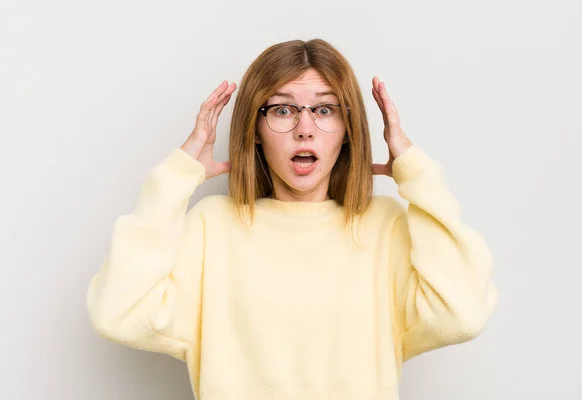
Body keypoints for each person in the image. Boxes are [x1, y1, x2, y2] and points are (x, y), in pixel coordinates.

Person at [86, 38, 498, 400]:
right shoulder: (214, 226)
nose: (305, 129)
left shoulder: (383, 225)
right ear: (256, 129)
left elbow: (460, 314)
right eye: (283, 110)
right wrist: (175, 178)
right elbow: (119, 314)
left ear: (348, 129)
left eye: (324, 109)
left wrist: (417, 173)